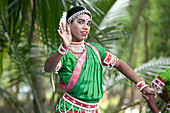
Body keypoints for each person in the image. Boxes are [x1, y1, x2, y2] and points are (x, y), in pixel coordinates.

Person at [43, 6, 159, 113]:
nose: (85, 27)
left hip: (94, 110)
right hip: (69, 109)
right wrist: (64, 48)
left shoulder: (96, 50)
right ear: (68, 24)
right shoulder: (63, 54)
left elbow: (118, 64)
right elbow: (48, 68)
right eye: (80, 22)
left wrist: (142, 86)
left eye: (88, 24)